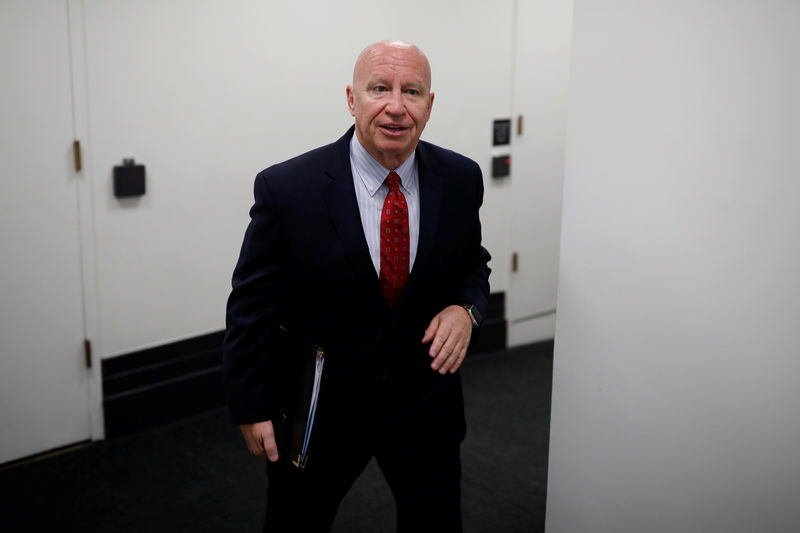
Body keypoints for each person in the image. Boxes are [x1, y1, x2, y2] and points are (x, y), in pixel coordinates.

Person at [223, 40, 491, 532]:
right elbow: (250, 306)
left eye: (412, 91)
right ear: (352, 99)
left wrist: (465, 310)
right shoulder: (288, 189)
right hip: (322, 409)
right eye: (379, 88)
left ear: (430, 105)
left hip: (424, 406)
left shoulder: (460, 178)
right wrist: (250, 403)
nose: (396, 106)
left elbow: (473, 265)